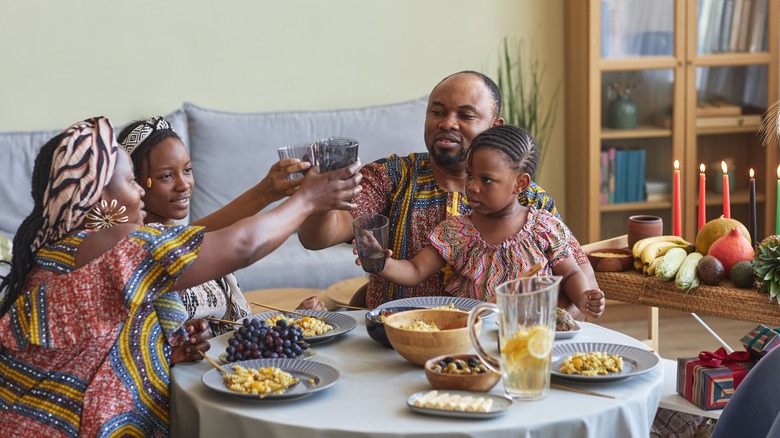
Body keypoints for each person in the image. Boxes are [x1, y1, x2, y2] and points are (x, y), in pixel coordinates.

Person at [0, 117, 360, 436]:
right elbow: (243, 246)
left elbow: (93, 340)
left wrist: (161, 352)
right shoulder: (115, 242)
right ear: (97, 199)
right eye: (130, 180)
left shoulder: (60, 249)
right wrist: (309, 201)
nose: (140, 189)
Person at [299, 71, 599, 316]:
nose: (447, 123)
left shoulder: (531, 203)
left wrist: (540, 317)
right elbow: (315, 238)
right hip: (396, 339)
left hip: (496, 343)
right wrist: (325, 198)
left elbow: (580, 276)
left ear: (494, 127)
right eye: (438, 112)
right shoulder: (392, 176)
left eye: (466, 115)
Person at [364, 125, 604, 317]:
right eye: (470, 175)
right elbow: (416, 270)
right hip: (472, 334)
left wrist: (583, 297)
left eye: (486, 180)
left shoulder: (544, 227)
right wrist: (382, 263)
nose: (473, 187)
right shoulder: (456, 231)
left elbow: (571, 273)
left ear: (520, 184)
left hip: (530, 333)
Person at [117, 116, 323, 336]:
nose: (183, 184)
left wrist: (289, 324)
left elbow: (192, 236)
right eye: (166, 176)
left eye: (187, 170)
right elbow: (243, 244)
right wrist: (306, 201)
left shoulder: (184, 241)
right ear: (134, 183)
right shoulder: (138, 250)